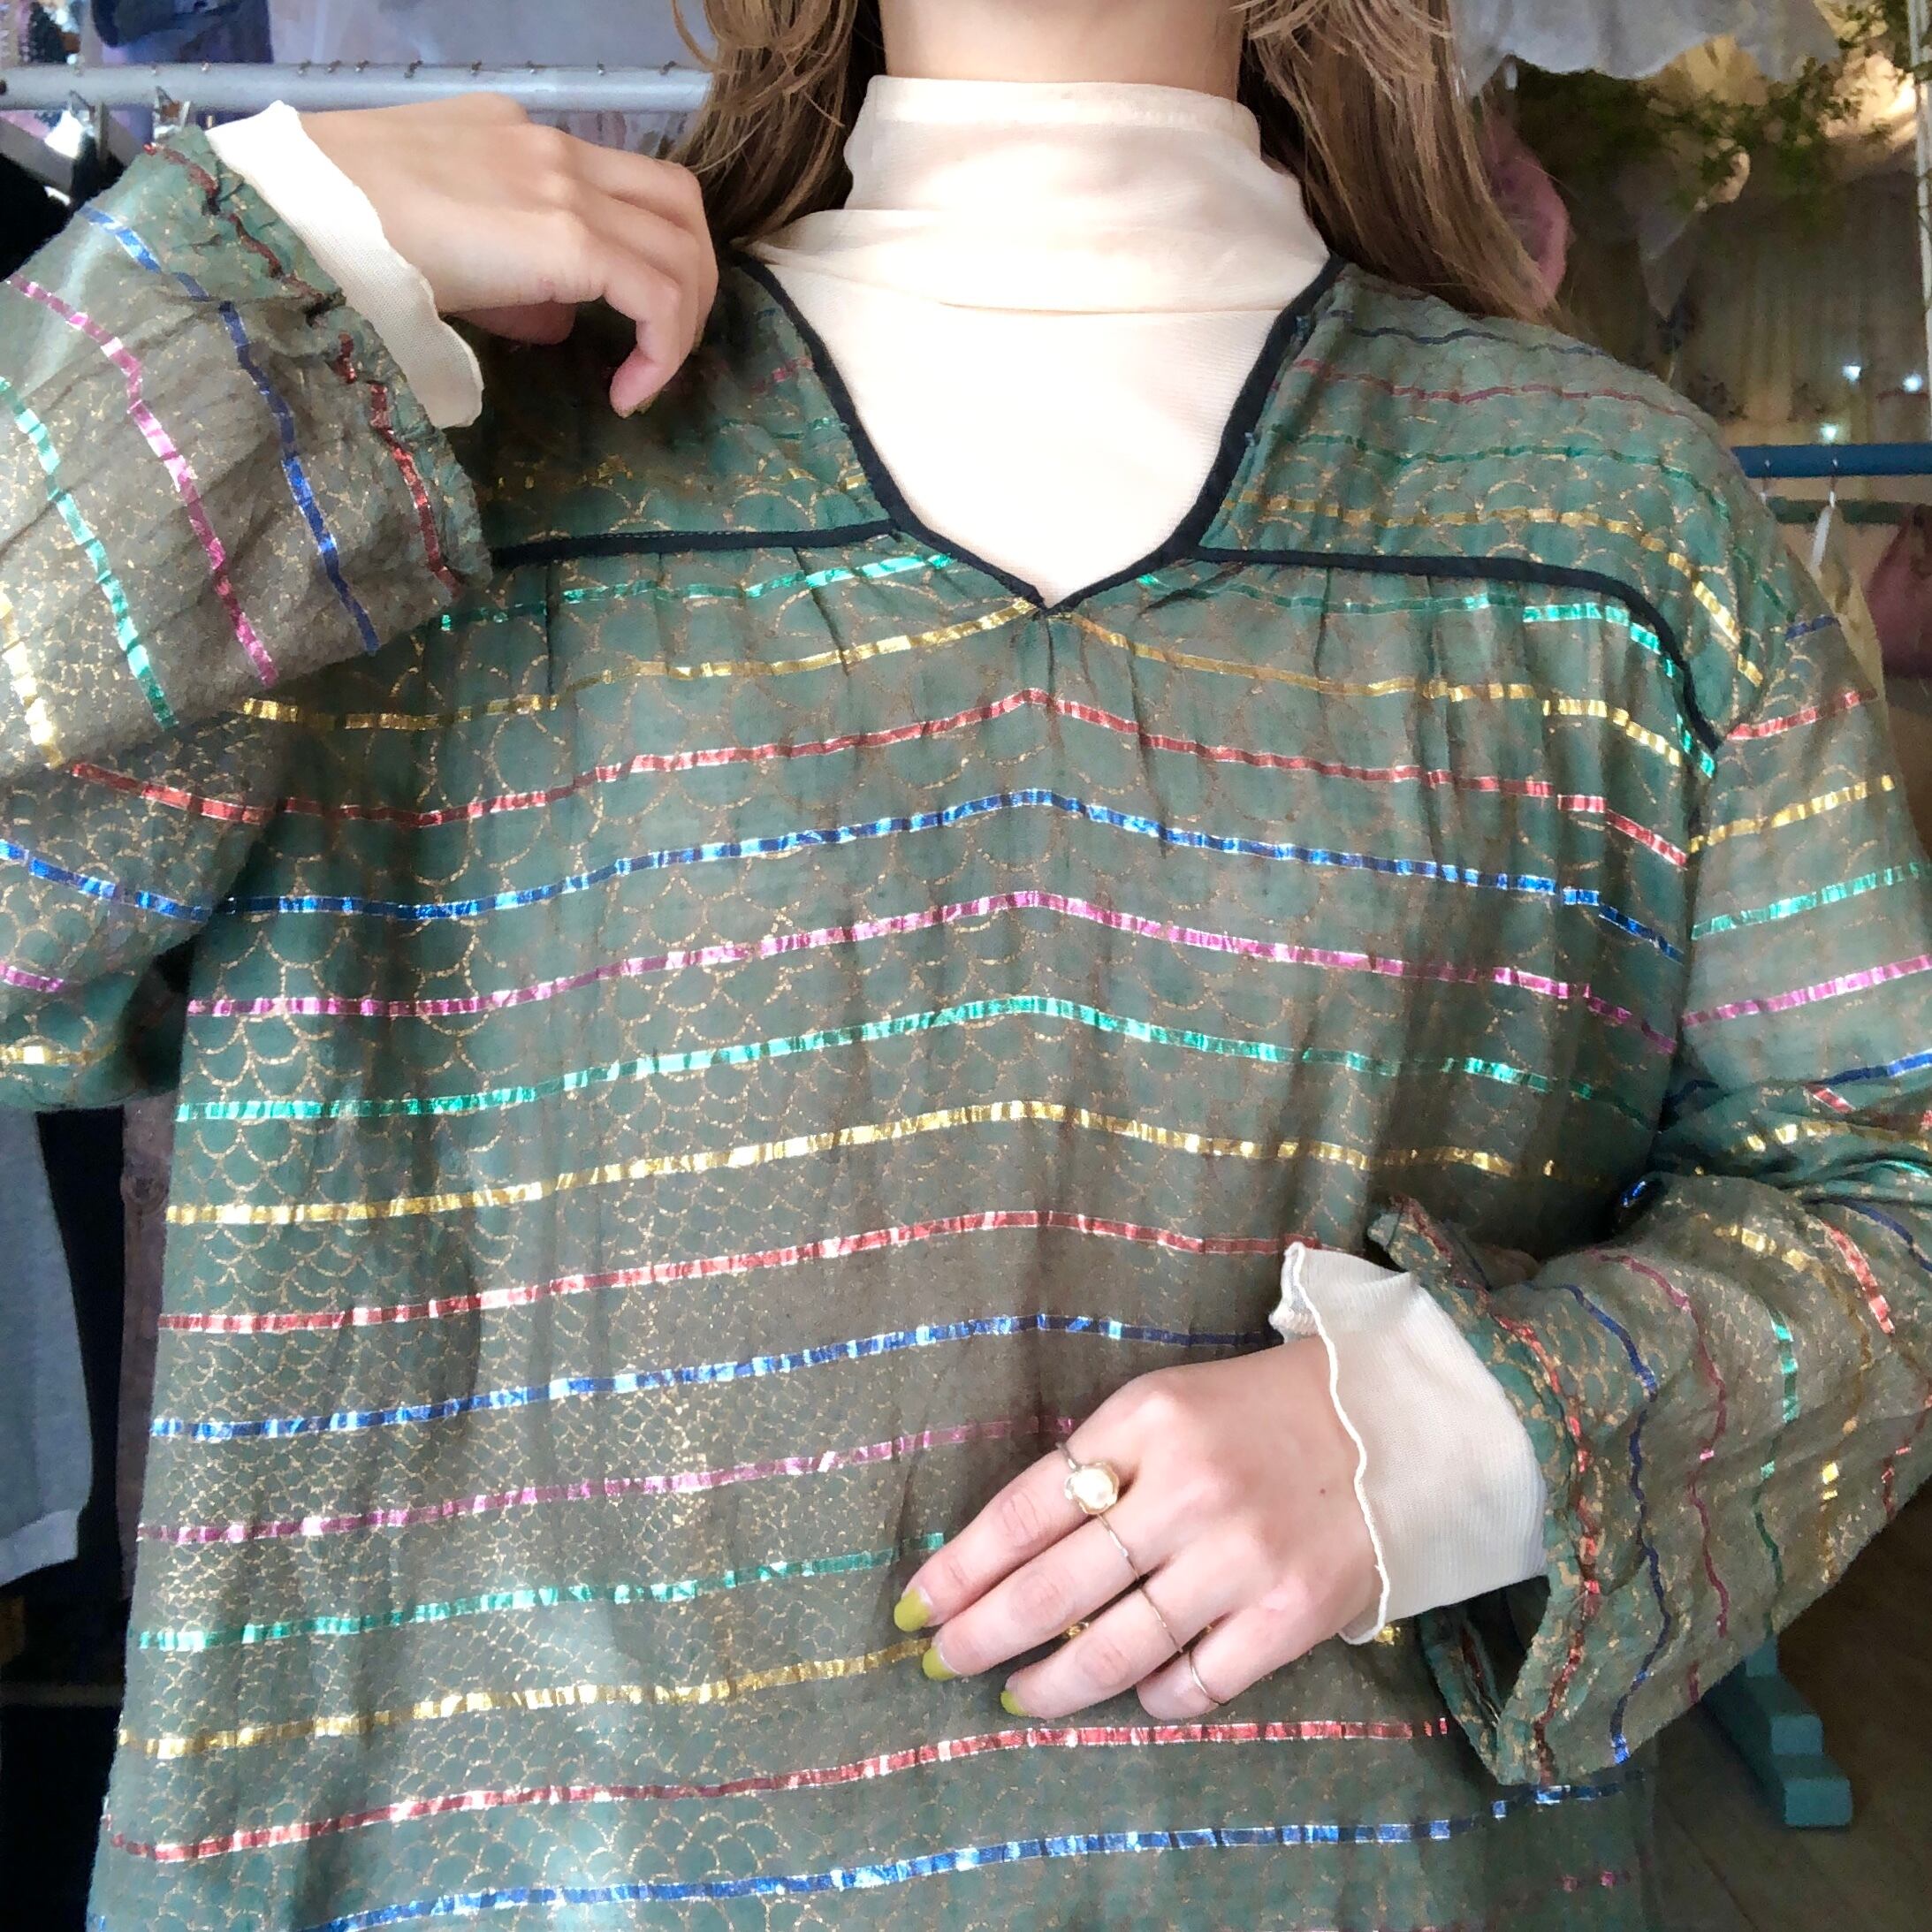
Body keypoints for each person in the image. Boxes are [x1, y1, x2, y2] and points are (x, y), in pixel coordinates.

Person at [1, 2, 1927, 1927]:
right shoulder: (405, 463)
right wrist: (250, 282)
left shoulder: (1608, 530)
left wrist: (1460, 1430)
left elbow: (1890, 1180)